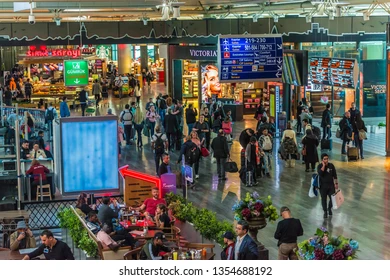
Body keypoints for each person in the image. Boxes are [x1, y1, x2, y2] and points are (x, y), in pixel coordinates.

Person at [317, 153, 338, 218]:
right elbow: (320, 174)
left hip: (331, 185)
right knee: (324, 199)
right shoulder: (319, 166)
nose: (326, 160)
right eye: (324, 159)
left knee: (332, 198)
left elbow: (335, 175)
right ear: (322, 160)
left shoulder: (331, 166)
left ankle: (329, 208)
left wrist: (336, 183)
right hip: (323, 186)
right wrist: (323, 165)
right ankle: (325, 211)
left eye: (327, 159)